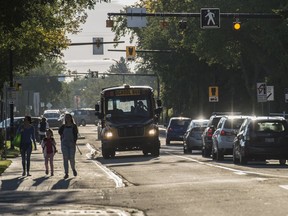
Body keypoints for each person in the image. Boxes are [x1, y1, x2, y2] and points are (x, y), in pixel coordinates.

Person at [58, 113, 79, 179]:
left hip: (72, 144)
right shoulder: (63, 126)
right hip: (64, 144)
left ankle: (73, 169)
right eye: (66, 118)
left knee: (72, 158)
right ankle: (66, 173)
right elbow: (60, 132)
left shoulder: (74, 126)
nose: (67, 119)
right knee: (65, 158)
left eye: (68, 117)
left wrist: (74, 141)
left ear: (71, 118)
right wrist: (62, 137)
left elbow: (76, 134)